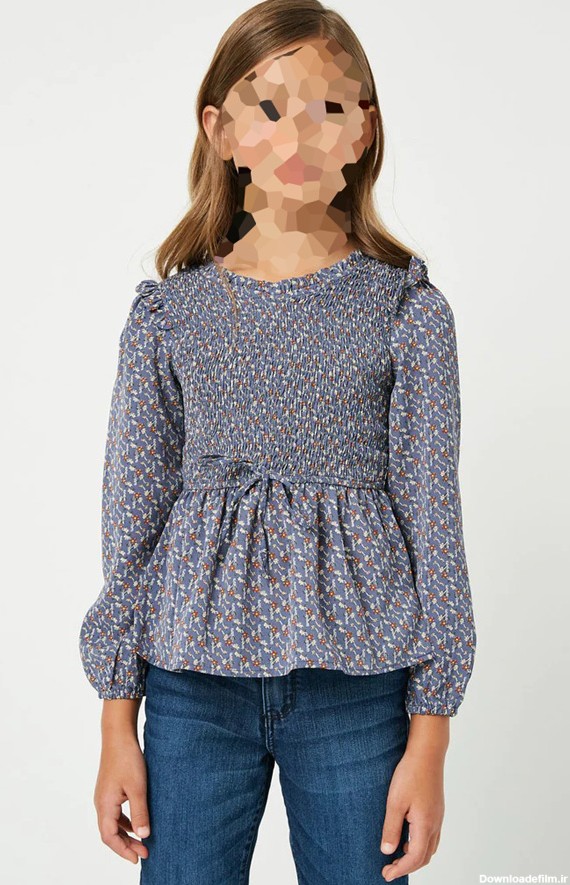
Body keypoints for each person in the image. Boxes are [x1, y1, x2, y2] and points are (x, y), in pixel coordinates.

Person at [78, 2, 477, 883]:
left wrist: (431, 737)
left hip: (356, 687)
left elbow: (433, 523)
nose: (299, 132)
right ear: (220, 131)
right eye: (268, 107)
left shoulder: (408, 313)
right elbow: (131, 521)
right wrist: (116, 720)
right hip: (189, 687)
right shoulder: (168, 317)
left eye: (328, 107)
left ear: (363, 130)